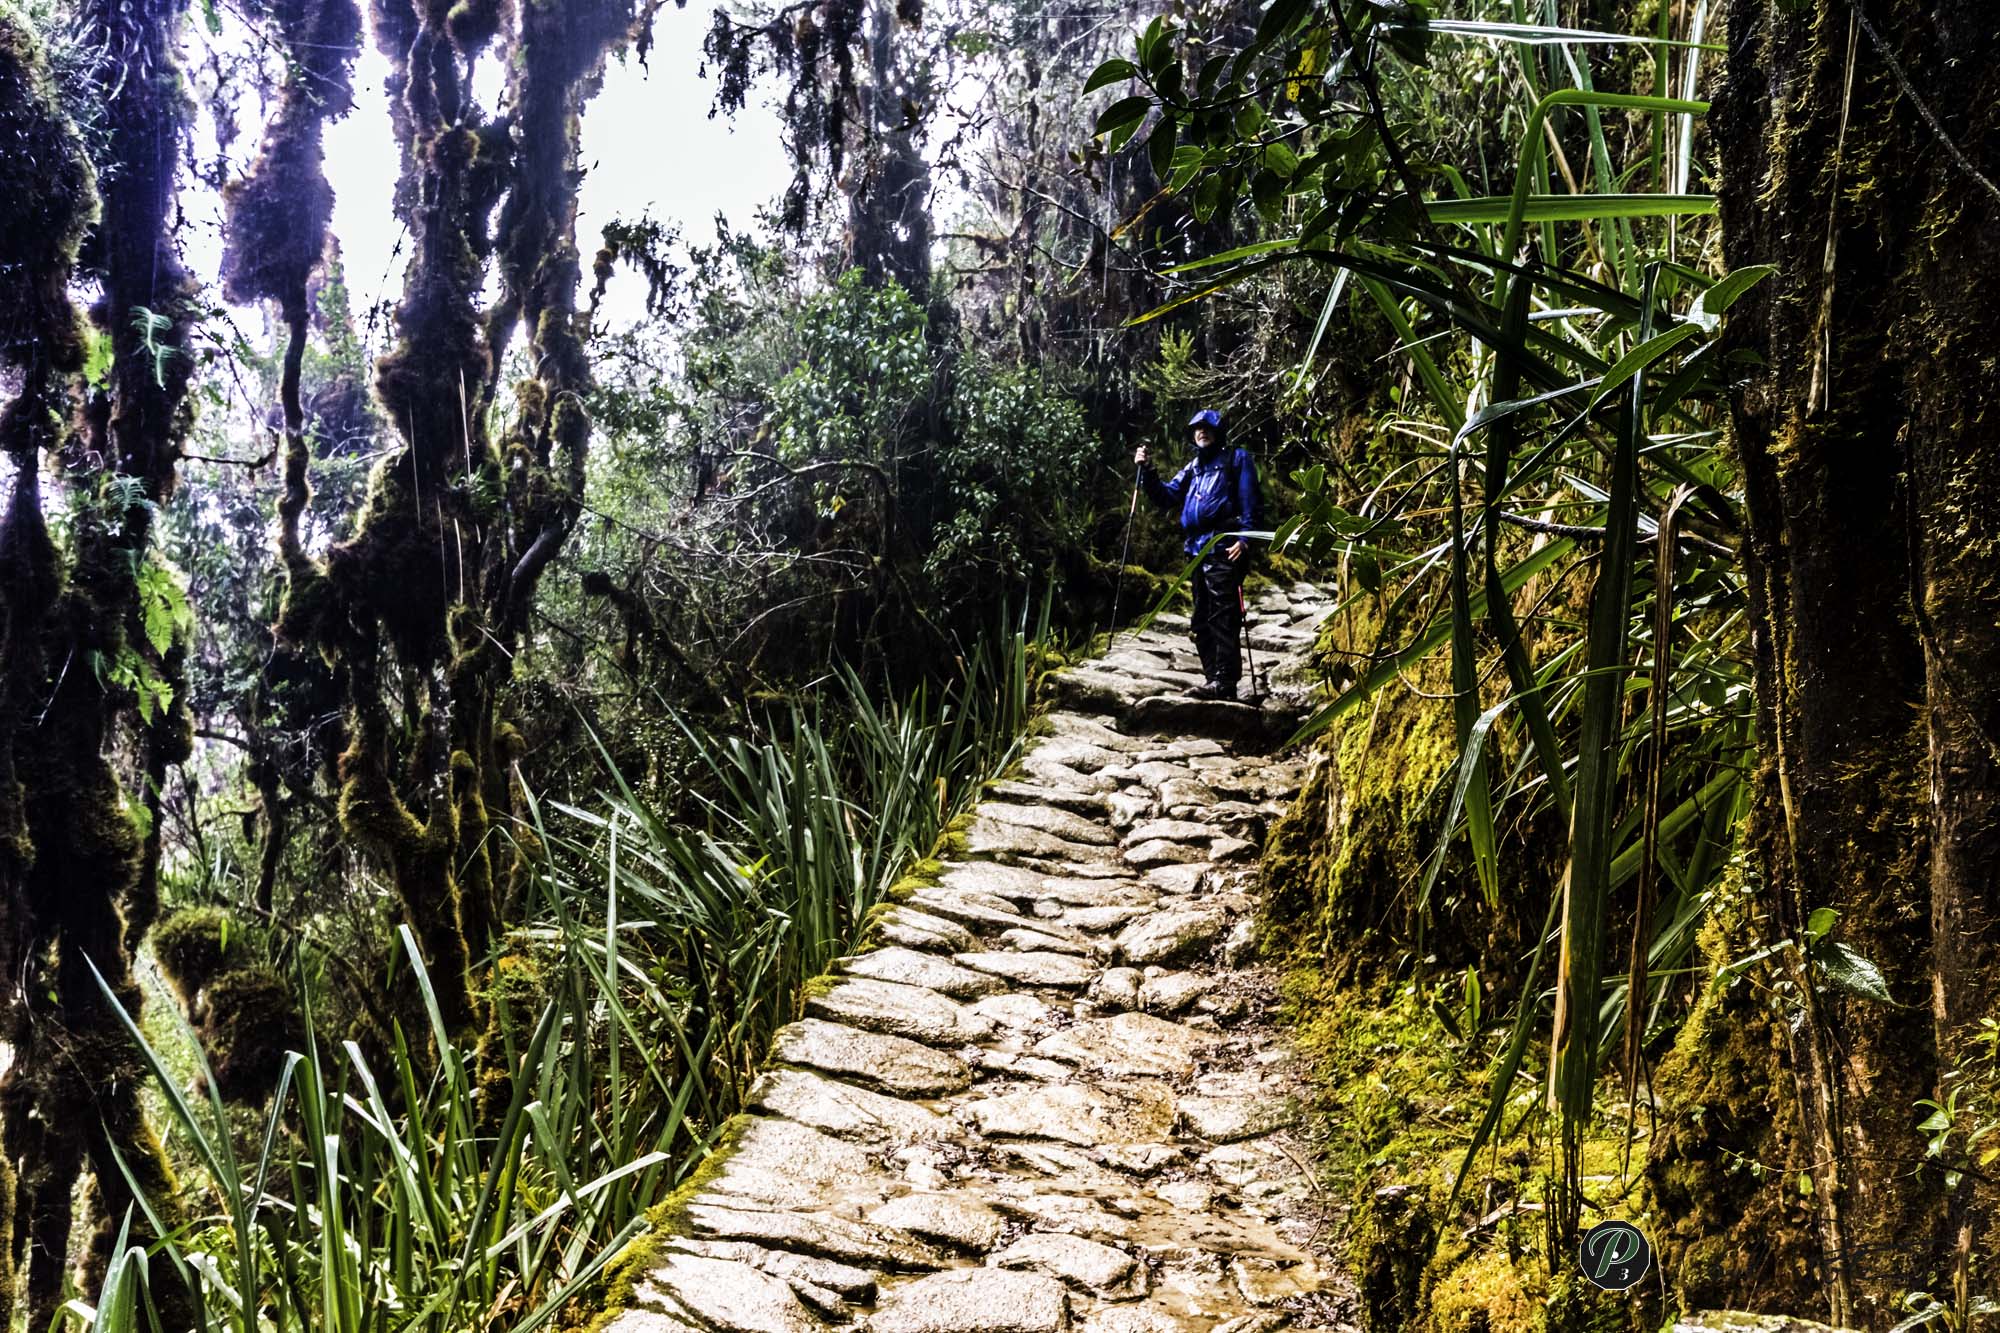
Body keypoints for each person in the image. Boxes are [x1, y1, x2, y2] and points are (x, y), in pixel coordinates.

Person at [1134, 408, 1259, 701]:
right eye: (1197, 428)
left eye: (1207, 427)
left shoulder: (1236, 459)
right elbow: (1167, 496)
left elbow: (1251, 502)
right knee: (1200, 617)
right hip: (1195, 549)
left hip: (1223, 547)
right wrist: (1147, 471)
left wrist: (1245, 539)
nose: (1201, 432)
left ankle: (1225, 681)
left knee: (1223, 614)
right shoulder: (1193, 468)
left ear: (1218, 431)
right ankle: (1212, 678)